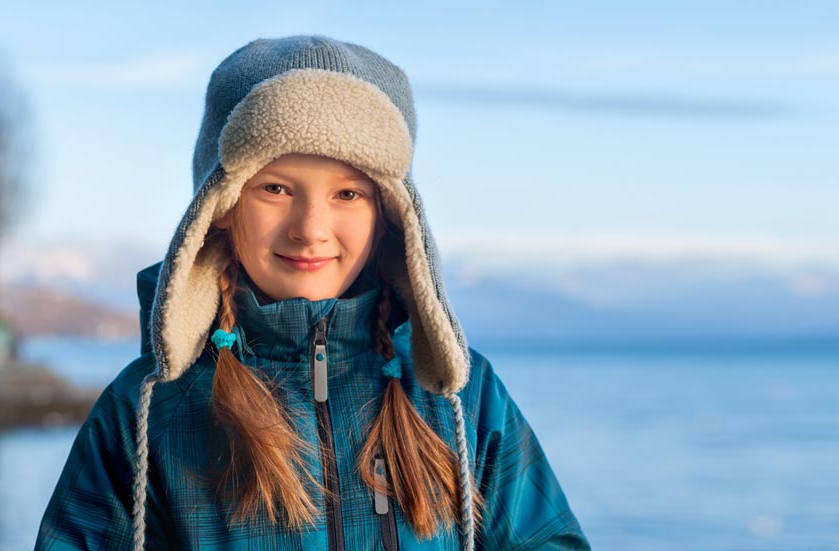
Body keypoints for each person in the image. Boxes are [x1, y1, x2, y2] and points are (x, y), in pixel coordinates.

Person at [36, 35, 590, 551]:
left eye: (348, 193)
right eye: (275, 189)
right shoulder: (148, 411)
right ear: (221, 205)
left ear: (391, 216)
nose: (311, 228)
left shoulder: (458, 398)